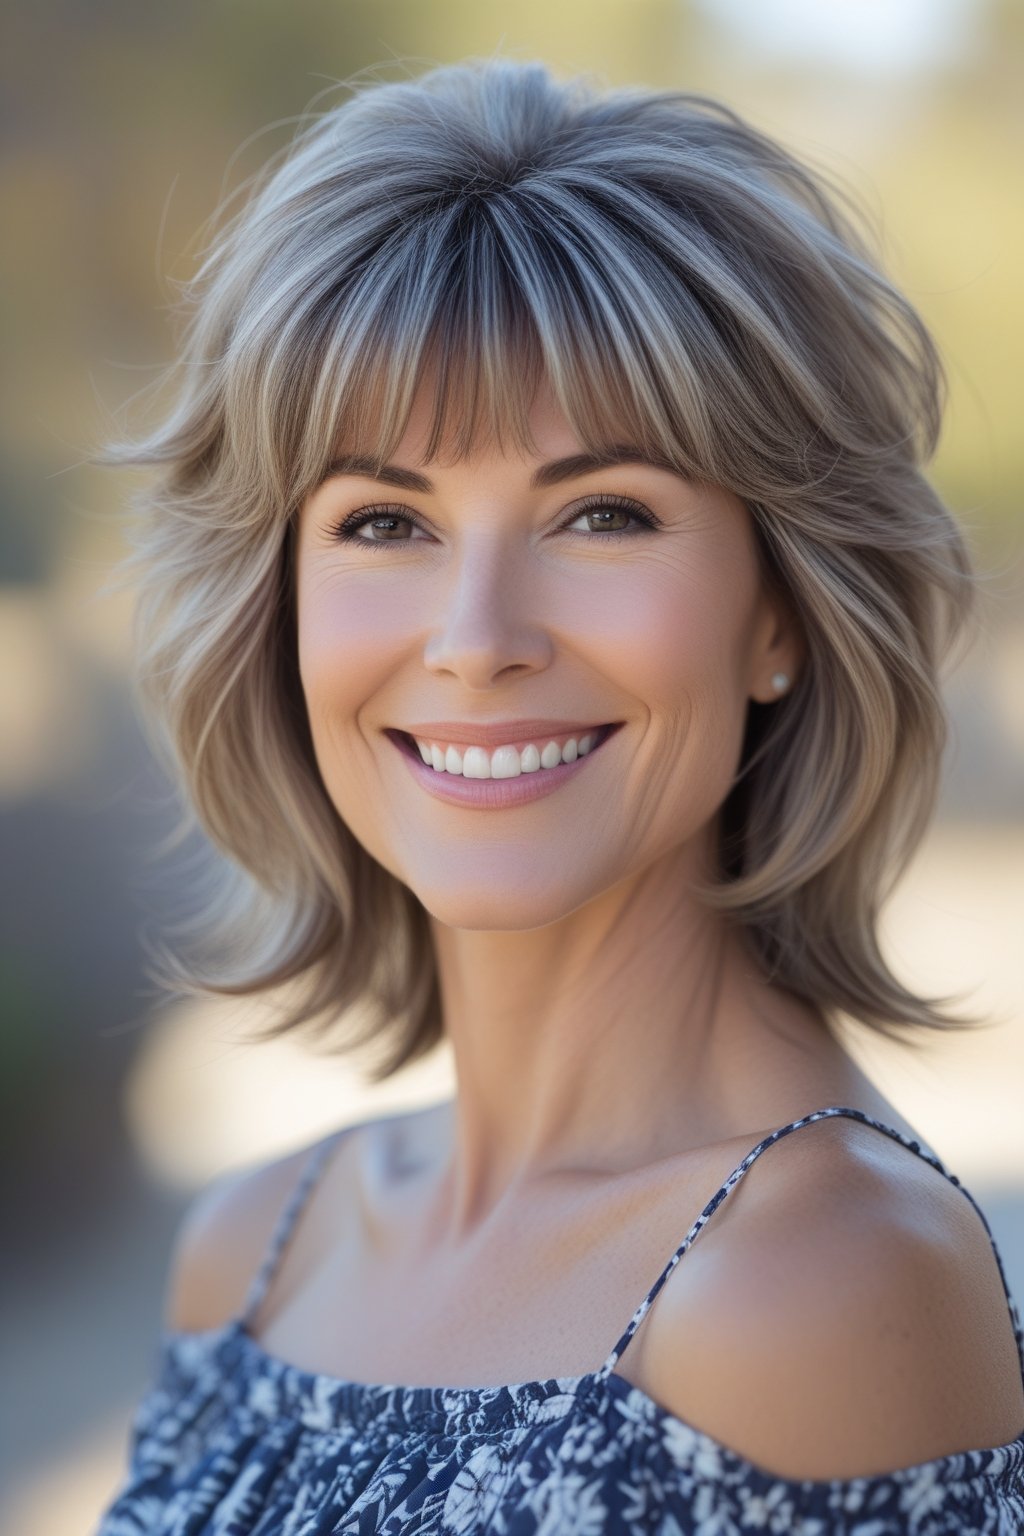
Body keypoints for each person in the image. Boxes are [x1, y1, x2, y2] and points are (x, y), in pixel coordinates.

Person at [93, 56, 1024, 1534]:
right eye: (384, 518)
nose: (475, 639)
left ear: (781, 610)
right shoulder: (254, 1248)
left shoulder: (826, 1289)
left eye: (604, 513)